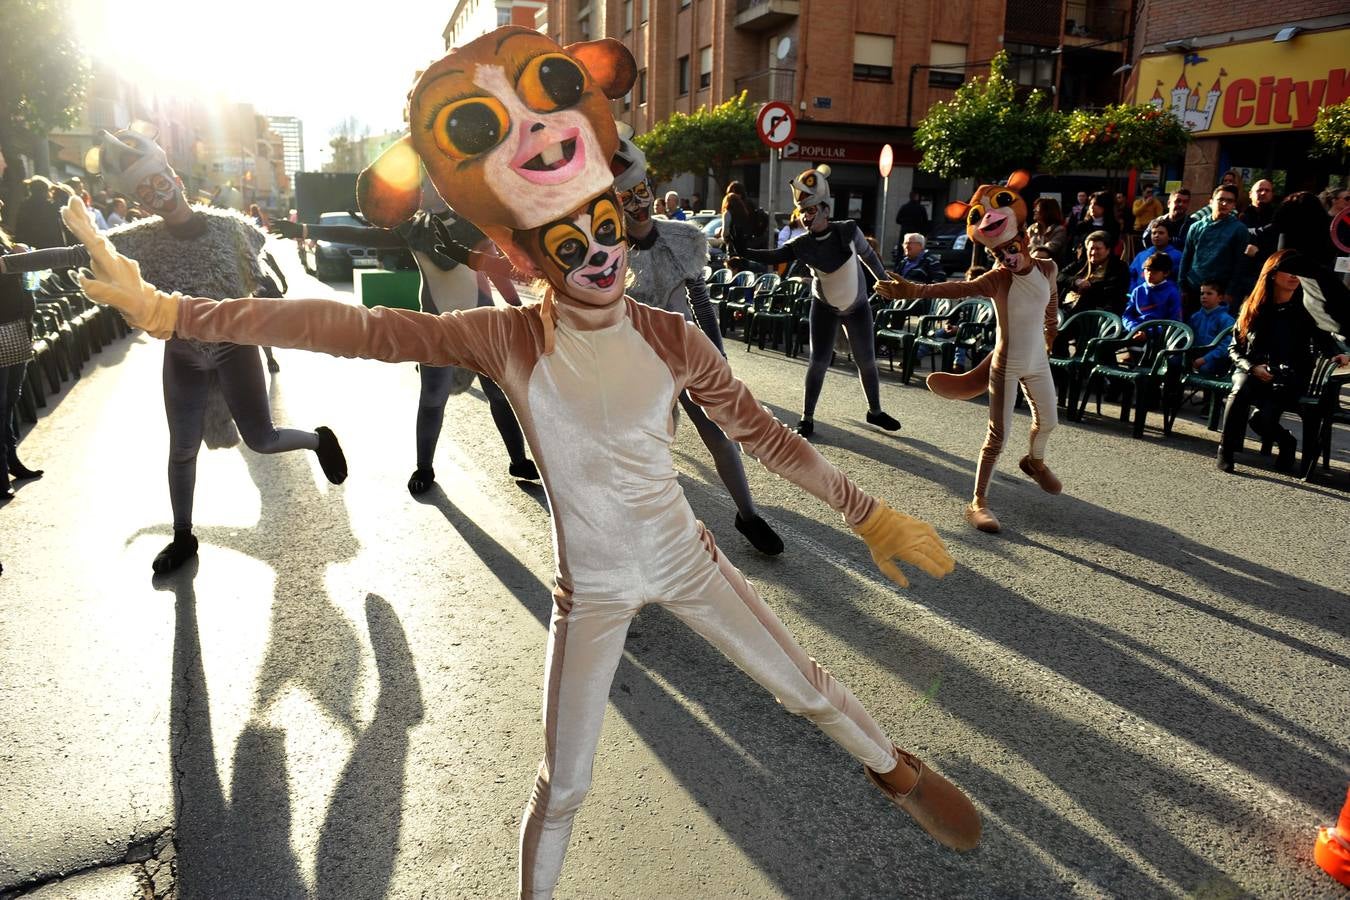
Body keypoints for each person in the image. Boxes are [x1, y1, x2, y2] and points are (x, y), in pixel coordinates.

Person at [61, 28, 979, 898]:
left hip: (688, 560)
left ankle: (898, 774)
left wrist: (868, 514)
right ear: (532, 254)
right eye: (571, 244)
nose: (600, 253)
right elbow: (353, 329)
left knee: (808, 688)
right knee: (564, 783)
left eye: (608, 229)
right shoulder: (507, 341)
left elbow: (765, 435)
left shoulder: (672, 337)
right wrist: (179, 313)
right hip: (594, 589)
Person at [4, 128, 347, 573]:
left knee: (262, 440)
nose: (156, 193)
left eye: (159, 181)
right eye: (145, 191)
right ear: (141, 201)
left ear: (176, 178)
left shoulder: (231, 228)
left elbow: (259, 280)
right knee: (182, 448)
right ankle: (183, 537)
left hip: (234, 347)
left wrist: (267, 305)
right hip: (183, 351)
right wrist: (8, 263)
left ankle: (319, 440)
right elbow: (76, 254)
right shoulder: (139, 239)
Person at [269, 187, 539, 492]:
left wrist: (517, 308)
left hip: (483, 325)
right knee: (433, 398)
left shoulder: (475, 221)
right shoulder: (413, 229)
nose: (426, 194)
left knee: (499, 394)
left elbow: (494, 268)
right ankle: (424, 468)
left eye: (433, 188)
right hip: (437, 328)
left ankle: (518, 460)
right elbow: (362, 236)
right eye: (422, 190)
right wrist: (304, 229)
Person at [612, 137, 783, 555]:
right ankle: (643, 533)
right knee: (648, 449)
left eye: (642, 193)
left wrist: (718, 359)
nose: (638, 204)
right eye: (627, 198)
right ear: (614, 203)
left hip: (688, 356)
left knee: (717, 434)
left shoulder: (683, 238)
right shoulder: (610, 252)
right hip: (640, 367)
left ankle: (748, 515)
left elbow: (701, 305)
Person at [877, 170, 1061, 534]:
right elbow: (953, 290)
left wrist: (1051, 331)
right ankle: (978, 502)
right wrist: (913, 291)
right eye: (998, 252)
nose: (1006, 256)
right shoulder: (996, 279)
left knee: (1050, 422)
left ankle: (1035, 462)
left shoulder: (1048, 267)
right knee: (998, 434)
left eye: (1010, 249)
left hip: (1038, 360)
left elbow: (1051, 300)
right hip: (1006, 363)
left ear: (1023, 240)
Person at [730, 166, 902, 437]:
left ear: (825, 210)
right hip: (824, 307)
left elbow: (869, 256)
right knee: (818, 362)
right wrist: (744, 251)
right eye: (802, 212)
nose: (806, 217)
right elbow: (775, 256)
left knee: (867, 361)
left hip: (857, 307)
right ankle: (807, 417)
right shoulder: (802, 245)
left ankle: (875, 411)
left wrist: (885, 282)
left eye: (811, 211)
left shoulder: (848, 230)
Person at [1218, 250, 1348, 473]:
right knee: (1240, 390)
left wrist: (1337, 353)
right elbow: (1234, 348)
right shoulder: (1252, 306)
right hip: (1250, 370)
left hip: (1289, 375)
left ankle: (1286, 441)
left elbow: (1325, 338)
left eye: (1300, 272)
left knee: (1259, 420)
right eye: (1289, 270)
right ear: (1272, 274)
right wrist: (1252, 367)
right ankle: (1225, 452)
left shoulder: (1307, 308)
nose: (1294, 276)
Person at [0, 215, 44, 500]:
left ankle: (11, 459)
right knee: (0, 402)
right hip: (2, 326)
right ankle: (1, 469)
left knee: (12, 397)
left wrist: (19, 257)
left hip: (16, 324)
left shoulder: (4, 239)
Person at [1179, 184, 1250, 316]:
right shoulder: (1196, 226)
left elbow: (1240, 264)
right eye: (1220, 199)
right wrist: (1182, 286)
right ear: (1211, 201)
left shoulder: (1239, 230)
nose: (1224, 203)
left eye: (1229, 201)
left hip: (1221, 292)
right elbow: (1186, 257)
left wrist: (1230, 292)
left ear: (1234, 205)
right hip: (1194, 288)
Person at [1059, 231, 1129, 315]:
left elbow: (1112, 290)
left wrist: (1087, 286)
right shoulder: (1081, 263)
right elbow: (1060, 275)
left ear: (1108, 250)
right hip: (1066, 307)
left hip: (1094, 313)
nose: (1093, 252)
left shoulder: (1119, 267)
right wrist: (1075, 281)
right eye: (1091, 248)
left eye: (1098, 249)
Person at [1122, 253, 1182, 333]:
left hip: (1160, 336)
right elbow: (1127, 315)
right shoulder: (1138, 291)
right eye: (1147, 269)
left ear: (1166, 273)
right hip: (1136, 331)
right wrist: (1134, 328)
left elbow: (1175, 322)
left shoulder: (1172, 293)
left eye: (1155, 271)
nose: (1149, 274)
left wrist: (1148, 333)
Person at [1189, 281, 1236, 375]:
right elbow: (1188, 340)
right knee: (1174, 361)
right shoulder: (1195, 317)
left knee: (1205, 368)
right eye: (1202, 293)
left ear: (1220, 298)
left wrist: (1204, 359)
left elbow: (1226, 346)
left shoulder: (1227, 319)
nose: (1204, 296)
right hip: (1195, 357)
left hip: (1216, 360)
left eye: (1209, 293)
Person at [1127, 219, 1182, 291]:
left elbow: (1180, 279)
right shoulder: (1141, 255)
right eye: (1154, 233)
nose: (1156, 235)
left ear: (1169, 236)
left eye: (1161, 233)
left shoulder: (1178, 256)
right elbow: (1130, 275)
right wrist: (1134, 289)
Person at [1068, 191, 1119, 265]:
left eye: (1095, 204)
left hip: (1105, 264)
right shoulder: (1082, 226)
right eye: (1090, 204)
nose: (1091, 207)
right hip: (1081, 262)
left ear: (1105, 206)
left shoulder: (1113, 226)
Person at [15, 178, 66, 249]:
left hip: (29, 246)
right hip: (48, 247)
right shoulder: (49, 207)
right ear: (45, 191)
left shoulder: (24, 205)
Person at [1026, 197, 1068, 268]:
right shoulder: (1032, 229)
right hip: (1030, 267)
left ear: (1048, 211)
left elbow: (1046, 252)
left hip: (1049, 270)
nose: (1034, 210)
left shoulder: (1059, 230)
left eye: (1037, 208)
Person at [719, 181, 754, 256]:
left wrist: (725, 239)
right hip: (749, 242)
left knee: (734, 265)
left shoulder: (729, 212)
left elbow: (725, 232)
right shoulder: (749, 206)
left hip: (734, 245)